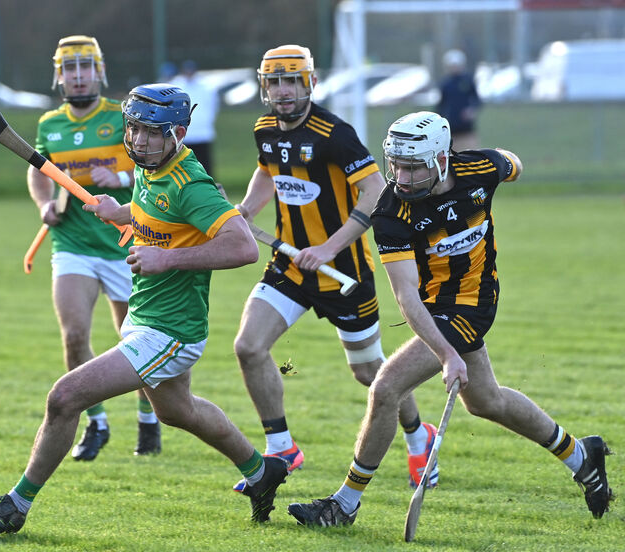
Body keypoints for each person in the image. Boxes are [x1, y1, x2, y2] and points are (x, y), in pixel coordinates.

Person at [0, 83, 290, 535]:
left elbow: (242, 247)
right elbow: (155, 212)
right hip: (147, 316)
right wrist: (123, 213)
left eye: (151, 132)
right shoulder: (150, 167)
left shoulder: (190, 185)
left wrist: (168, 258)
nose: (139, 140)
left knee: (64, 398)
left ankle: (15, 506)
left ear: (178, 133)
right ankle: (262, 471)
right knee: (178, 411)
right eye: (134, 128)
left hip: (170, 331)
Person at [288, 111, 613, 527]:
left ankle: (344, 504)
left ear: (442, 159)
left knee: (385, 387)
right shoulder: (390, 212)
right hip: (431, 307)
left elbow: (511, 163)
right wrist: (446, 353)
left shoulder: (478, 168)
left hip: (475, 303)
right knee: (486, 402)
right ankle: (581, 456)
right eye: (396, 165)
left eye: (413, 166)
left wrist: (446, 353)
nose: (402, 177)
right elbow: (405, 295)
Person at [231, 44, 438, 494]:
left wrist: (327, 248)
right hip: (289, 267)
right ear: (264, 86)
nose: (283, 91)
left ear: (310, 82)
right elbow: (268, 170)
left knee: (371, 374)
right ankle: (282, 446)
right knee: (248, 346)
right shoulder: (265, 128)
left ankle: (420, 435)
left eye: (292, 80)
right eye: (275, 82)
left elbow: (375, 192)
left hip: (344, 273)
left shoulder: (335, 134)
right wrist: (247, 209)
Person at [28, 35, 161, 460]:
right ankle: (96, 422)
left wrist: (120, 181)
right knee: (73, 336)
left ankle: (148, 418)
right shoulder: (50, 124)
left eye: (86, 68)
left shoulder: (125, 118)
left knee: (134, 340)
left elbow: (154, 169)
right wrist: (44, 203)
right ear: (59, 76)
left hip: (124, 242)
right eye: (70, 69)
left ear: (99, 72)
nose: (78, 76)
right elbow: (38, 171)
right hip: (72, 243)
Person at [170, 60, 219, 176]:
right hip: (185, 135)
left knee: (205, 167)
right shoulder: (176, 86)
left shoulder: (206, 87)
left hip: (203, 134)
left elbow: (213, 106)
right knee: (184, 168)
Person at [435, 49, 481, 152]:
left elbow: (477, 100)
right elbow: (441, 105)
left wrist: (472, 110)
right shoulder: (445, 84)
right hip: (451, 127)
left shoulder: (468, 81)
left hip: (466, 128)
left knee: (470, 154)